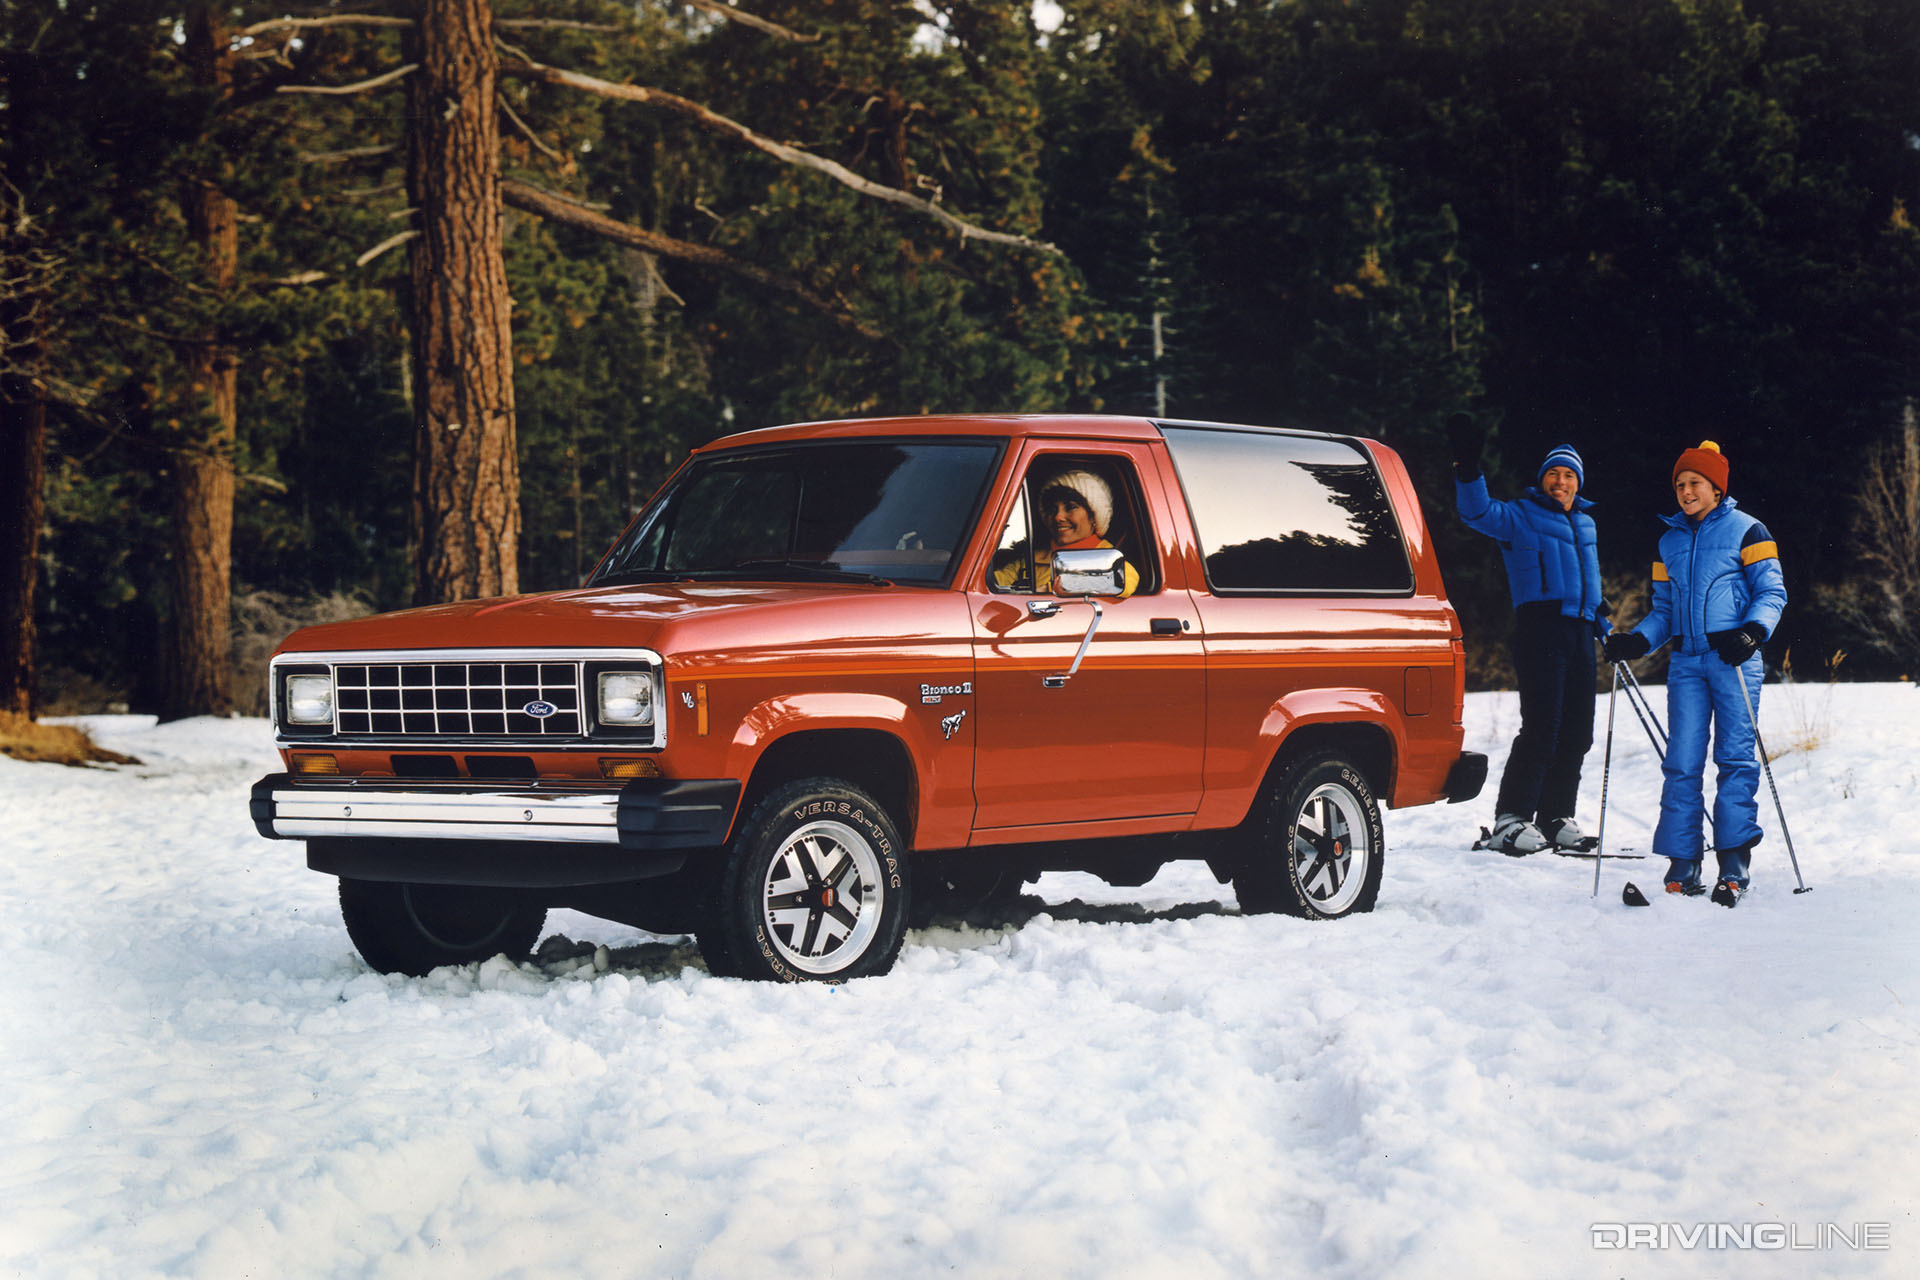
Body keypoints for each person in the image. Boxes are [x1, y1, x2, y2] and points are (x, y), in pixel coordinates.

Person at [1602, 441, 1786, 906]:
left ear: (1717, 488)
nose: (1686, 491)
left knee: (1735, 758)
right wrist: (1638, 640)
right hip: (1686, 663)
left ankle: (1733, 862)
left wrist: (1752, 632)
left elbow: (1771, 592)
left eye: (1695, 483)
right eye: (1680, 484)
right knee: (1681, 762)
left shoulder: (1749, 530)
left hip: (1734, 657)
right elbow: (1663, 610)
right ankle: (1683, 863)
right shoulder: (1669, 540)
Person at [1446, 413, 1602, 855]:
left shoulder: (1586, 524)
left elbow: (1590, 582)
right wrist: (1469, 468)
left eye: (1569, 474)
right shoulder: (1520, 516)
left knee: (1577, 732)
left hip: (1581, 631)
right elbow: (1475, 512)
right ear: (1542, 479)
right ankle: (1511, 818)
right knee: (1543, 727)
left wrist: (1604, 623)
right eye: (1553, 473)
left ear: (1578, 482)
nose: (1561, 481)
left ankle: (1555, 816)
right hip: (1541, 630)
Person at [993, 467, 1140, 598]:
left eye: (1071, 507)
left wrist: (1054, 588)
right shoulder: (1030, 560)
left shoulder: (1107, 557)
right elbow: (993, 582)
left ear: (1094, 516)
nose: (1058, 517)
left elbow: (1127, 580)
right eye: (1052, 509)